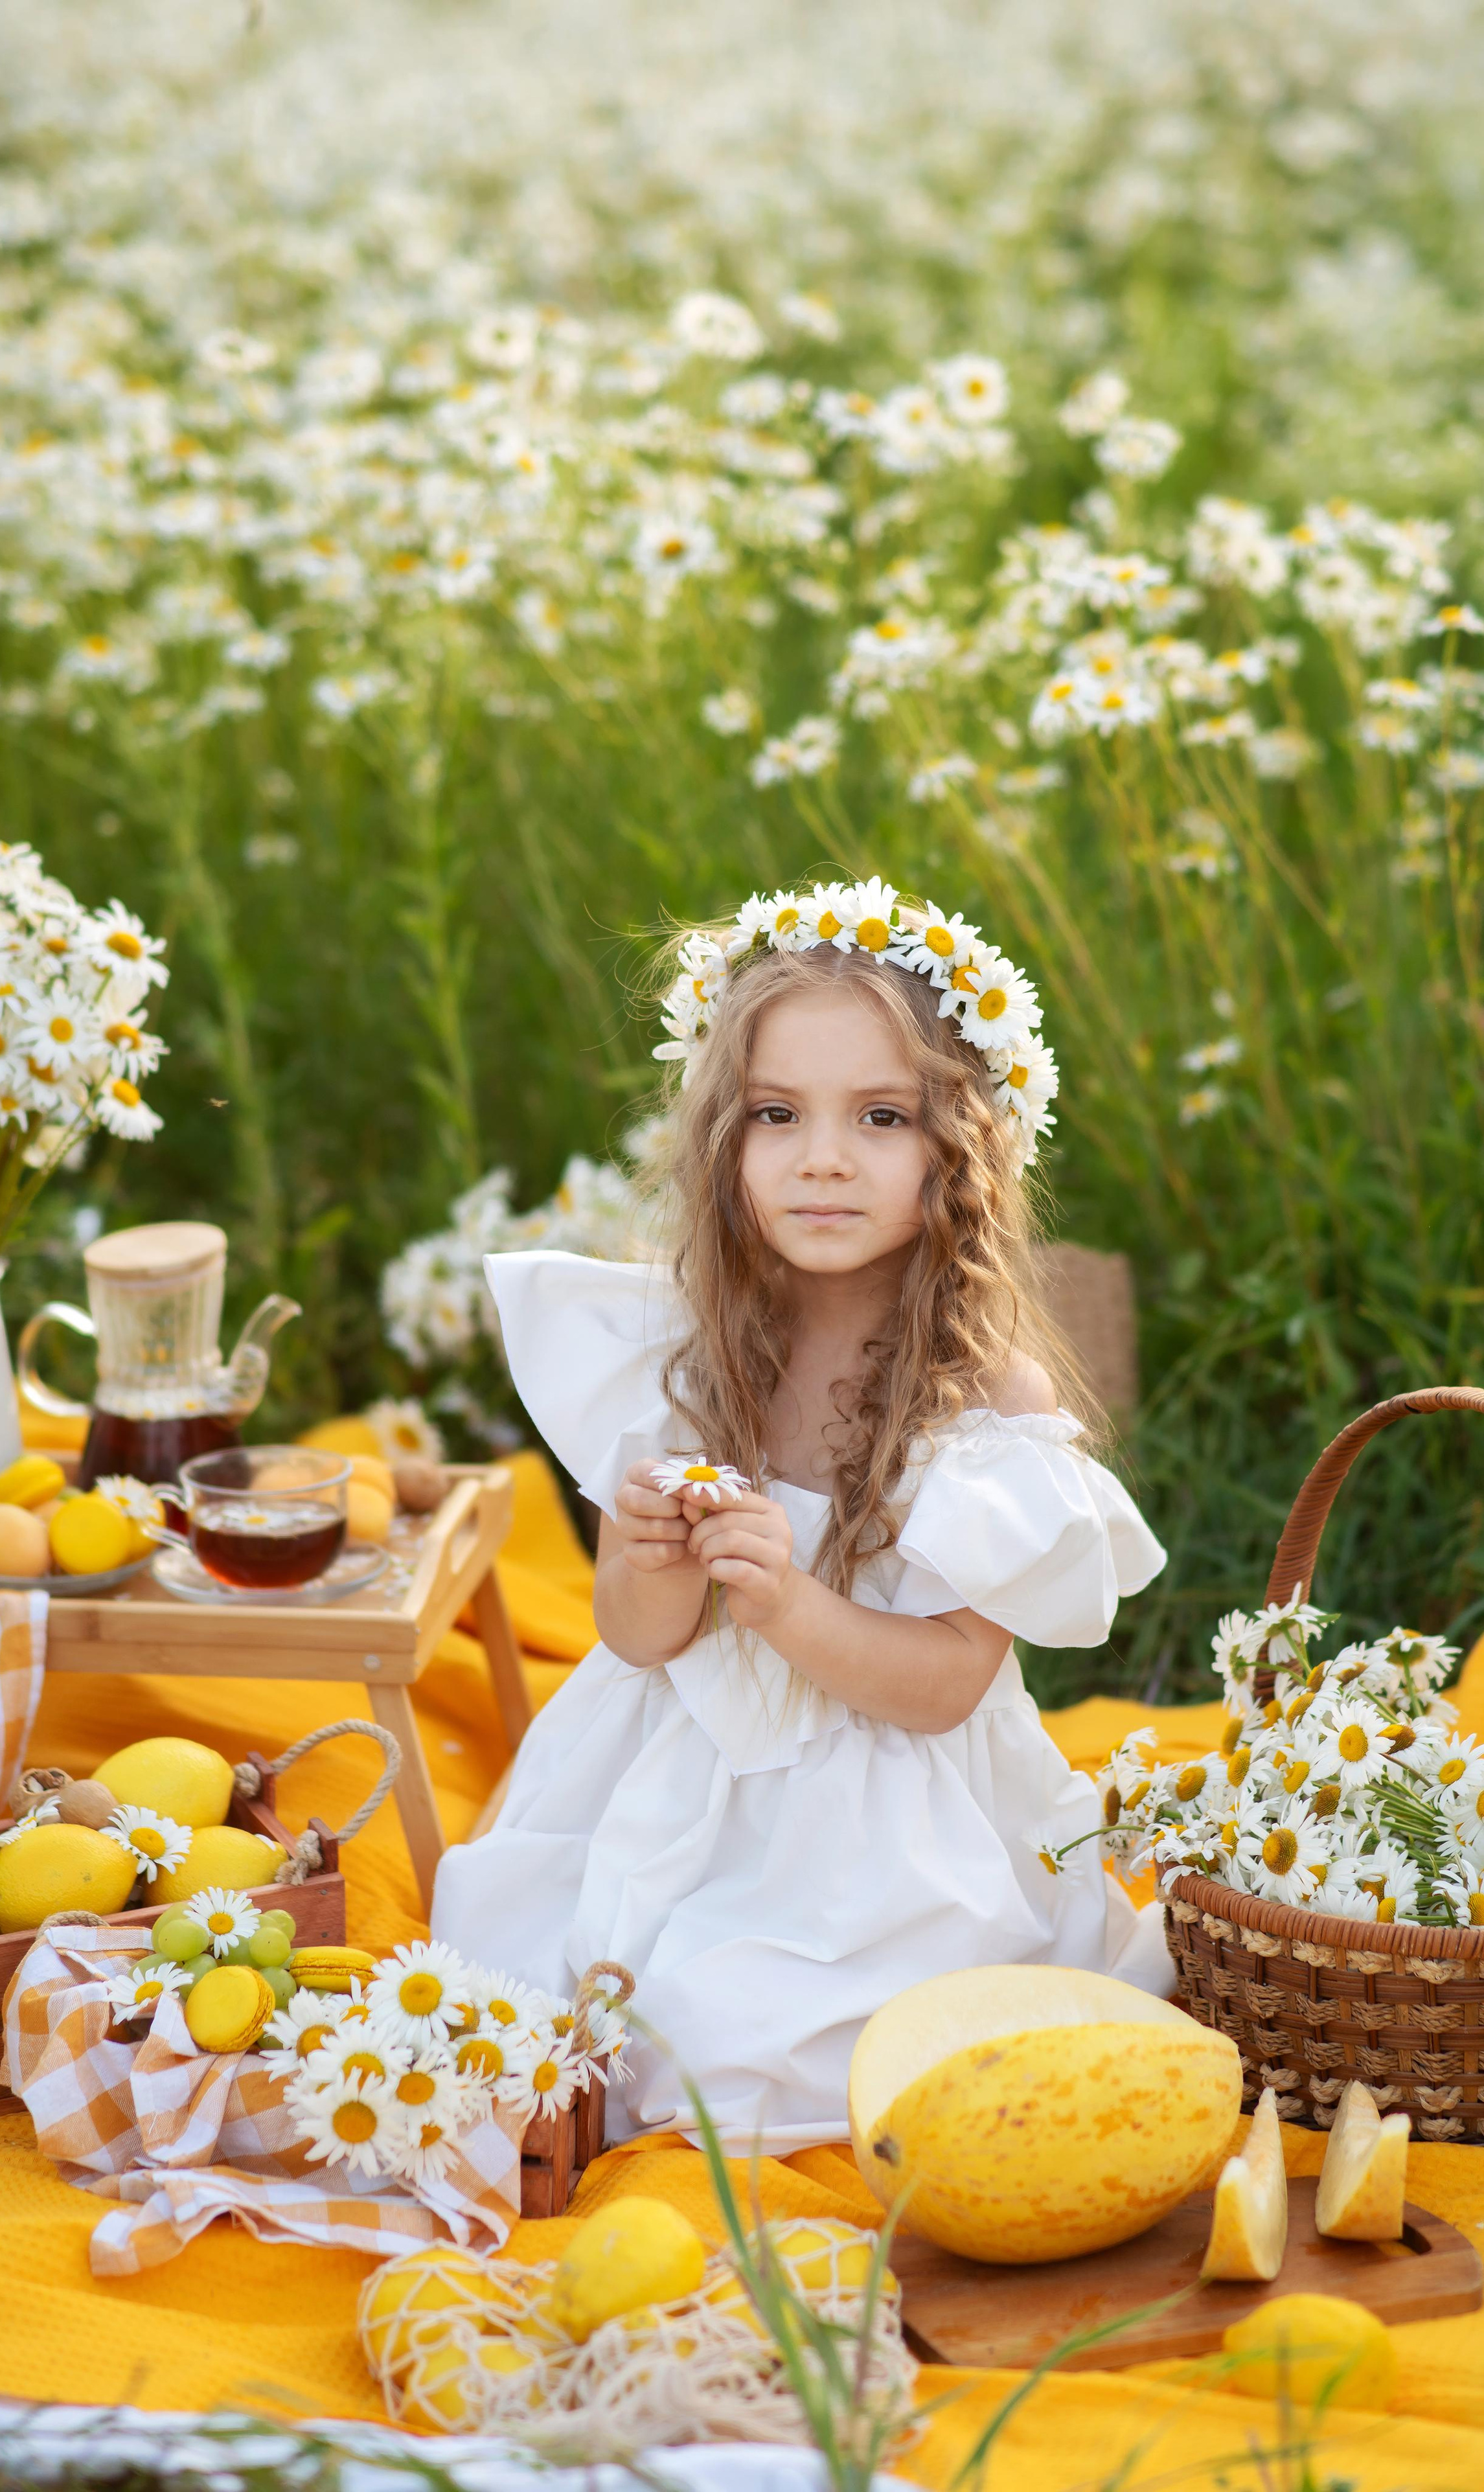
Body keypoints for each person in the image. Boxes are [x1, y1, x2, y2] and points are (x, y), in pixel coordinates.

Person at [431, 878, 1172, 2151]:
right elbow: (633, 1635)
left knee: (768, 2037)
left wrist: (786, 1604)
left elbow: (944, 1682)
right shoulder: (687, 1353)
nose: (820, 1156)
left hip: (883, 1816)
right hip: (670, 1772)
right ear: (725, 1139)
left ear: (962, 1150)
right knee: (551, 1980)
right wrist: (662, 1559)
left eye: (879, 1116)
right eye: (778, 1113)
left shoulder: (977, 1394)